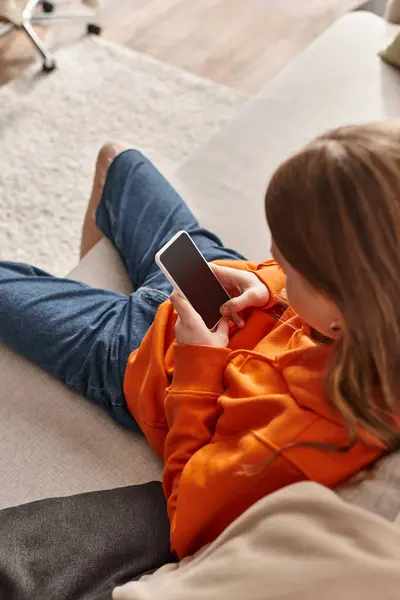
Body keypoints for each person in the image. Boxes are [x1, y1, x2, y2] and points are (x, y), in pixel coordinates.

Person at [0, 122, 398, 560]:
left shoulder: (293, 444)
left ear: (341, 303)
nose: (277, 259)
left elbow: (186, 517)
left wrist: (197, 363)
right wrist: (270, 284)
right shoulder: (376, 307)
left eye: (287, 260)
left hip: (134, 355)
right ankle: (88, 284)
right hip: (215, 276)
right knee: (117, 158)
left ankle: (90, 305)